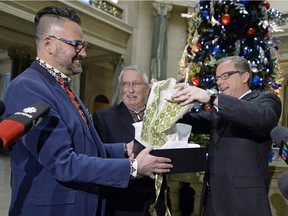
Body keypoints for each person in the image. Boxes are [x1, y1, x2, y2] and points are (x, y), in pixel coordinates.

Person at [2, 6, 173, 216]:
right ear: (49, 44)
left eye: (84, 45)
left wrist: (124, 149)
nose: (83, 52)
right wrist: (133, 168)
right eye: (77, 45)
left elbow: (84, 148)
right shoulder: (28, 87)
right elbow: (63, 162)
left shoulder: (61, 87)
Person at [171, 56, 282, 216]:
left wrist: (212, 98)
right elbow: (192, 121)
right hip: (212, 202)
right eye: (217, 78)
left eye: (225, 76)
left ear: (245, 76)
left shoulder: (266, 100)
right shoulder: (219, 111)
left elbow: (262, 119)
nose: (219, 82)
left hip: (244, 203)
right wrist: (166, 101)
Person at [93, 65, 170, 216]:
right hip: (123, 204)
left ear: (147, 88)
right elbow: (98, 156)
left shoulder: (160, 118)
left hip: (157, 201)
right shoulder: (103, 118)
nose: (130, 89)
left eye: (136, 84)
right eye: (125, 84)